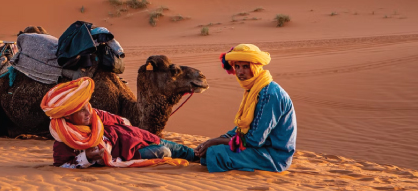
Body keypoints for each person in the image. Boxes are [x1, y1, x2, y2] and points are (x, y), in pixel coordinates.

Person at [41, 77, 196, 168]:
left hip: (140, 137)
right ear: (67, 116)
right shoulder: (65, 140)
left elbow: (123, 121)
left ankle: (208, 156)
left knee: (188, 152)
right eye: (81, 110)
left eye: (87, 107)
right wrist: (87, 157)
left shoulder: (97, 115)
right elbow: (63, 165)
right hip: (131, 152)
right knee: (165, 152)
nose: (88, 112)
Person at [194, 44, 297, 172]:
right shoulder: (254, 89)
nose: (240, 72)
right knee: (208, 151)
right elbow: (243, 129)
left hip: (274, 156)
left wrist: (217, 141)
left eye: (245, 67)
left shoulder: (269, 94)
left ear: (256, 67)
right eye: (237, 66)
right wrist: (215, 140)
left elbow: (255, 140)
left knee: (216, 153)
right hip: (260, 150)